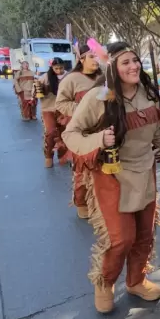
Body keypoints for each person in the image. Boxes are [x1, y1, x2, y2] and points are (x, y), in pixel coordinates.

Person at [62, 41, 160, 314]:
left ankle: (136, 280)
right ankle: (105, 283)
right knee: (121, 239)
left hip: (145, 175)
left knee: (144, 235)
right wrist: (99, 139)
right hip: (111, 177)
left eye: (135, 60)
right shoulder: (98, 97)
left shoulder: (149, 96)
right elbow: (71, 135)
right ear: (112, 66)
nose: (134, 66)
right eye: (125, 62)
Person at [56, 43, 105, 219]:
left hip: (103, 132)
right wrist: (82, 108)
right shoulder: (71, 79)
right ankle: (82, 203)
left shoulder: (104, 77)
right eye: (92, 56)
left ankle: (102, 203)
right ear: (81, 59)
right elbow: (60, 103)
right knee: (82, 170)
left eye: (97, 56)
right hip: (82, 132)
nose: (96, 60)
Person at [38, 58, 70, 168]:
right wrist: (41, 90)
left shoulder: (69, 77)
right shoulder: (44, 78)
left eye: (61, 68)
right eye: (56, 68)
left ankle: (63, 155)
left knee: (65, 133)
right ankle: (48, 155)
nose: (59, 70)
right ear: (52, 68)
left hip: (64, 109)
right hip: (48, 109)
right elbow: (36, 92)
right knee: (51, 132)